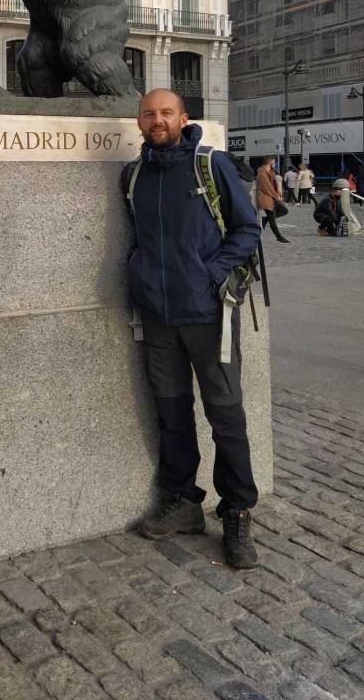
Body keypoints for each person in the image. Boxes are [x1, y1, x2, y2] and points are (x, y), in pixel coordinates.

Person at [122, 89, 262, 570]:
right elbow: (139, 235)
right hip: (159, 319)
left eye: (166, 113)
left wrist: (209, 274)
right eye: (149, 114)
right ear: (139, 121)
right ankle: (183, 501)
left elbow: (247, 230)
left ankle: (238, 510)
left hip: (209, 315)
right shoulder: (135, 173)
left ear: (183, 118)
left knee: (226, 416)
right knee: (173, 414)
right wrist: (139, 274)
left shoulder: (211, 164)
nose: (157, 120)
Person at [256, 157, 289, 243]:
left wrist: (278, 195)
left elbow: (274, 185)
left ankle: (264, 219)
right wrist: (277, 197)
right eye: (274, 162)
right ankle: (279, 237)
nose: (274, 163)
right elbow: (267, 188)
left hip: (272, 198)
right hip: (267, 198)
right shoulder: (262, 173)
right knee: (272, 219)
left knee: (284, 210)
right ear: (270, 162)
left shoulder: (270, 172)